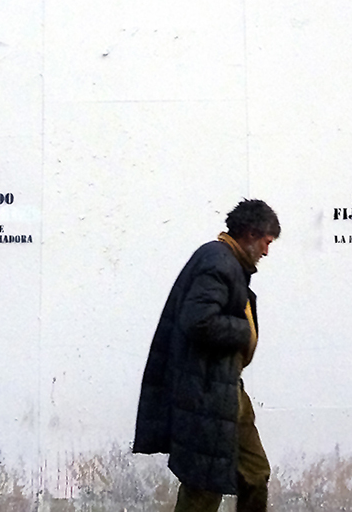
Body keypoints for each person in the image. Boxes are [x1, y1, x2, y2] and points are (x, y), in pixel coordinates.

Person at [133, 199, 281, 512]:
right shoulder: (218, 262)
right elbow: (199, 321)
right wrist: (243, 331)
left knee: (255, 474)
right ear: (252, 233)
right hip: (207, 394)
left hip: (227, 389)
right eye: (267, 242)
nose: (267, 252)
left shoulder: (227, 261)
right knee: (203, 486)